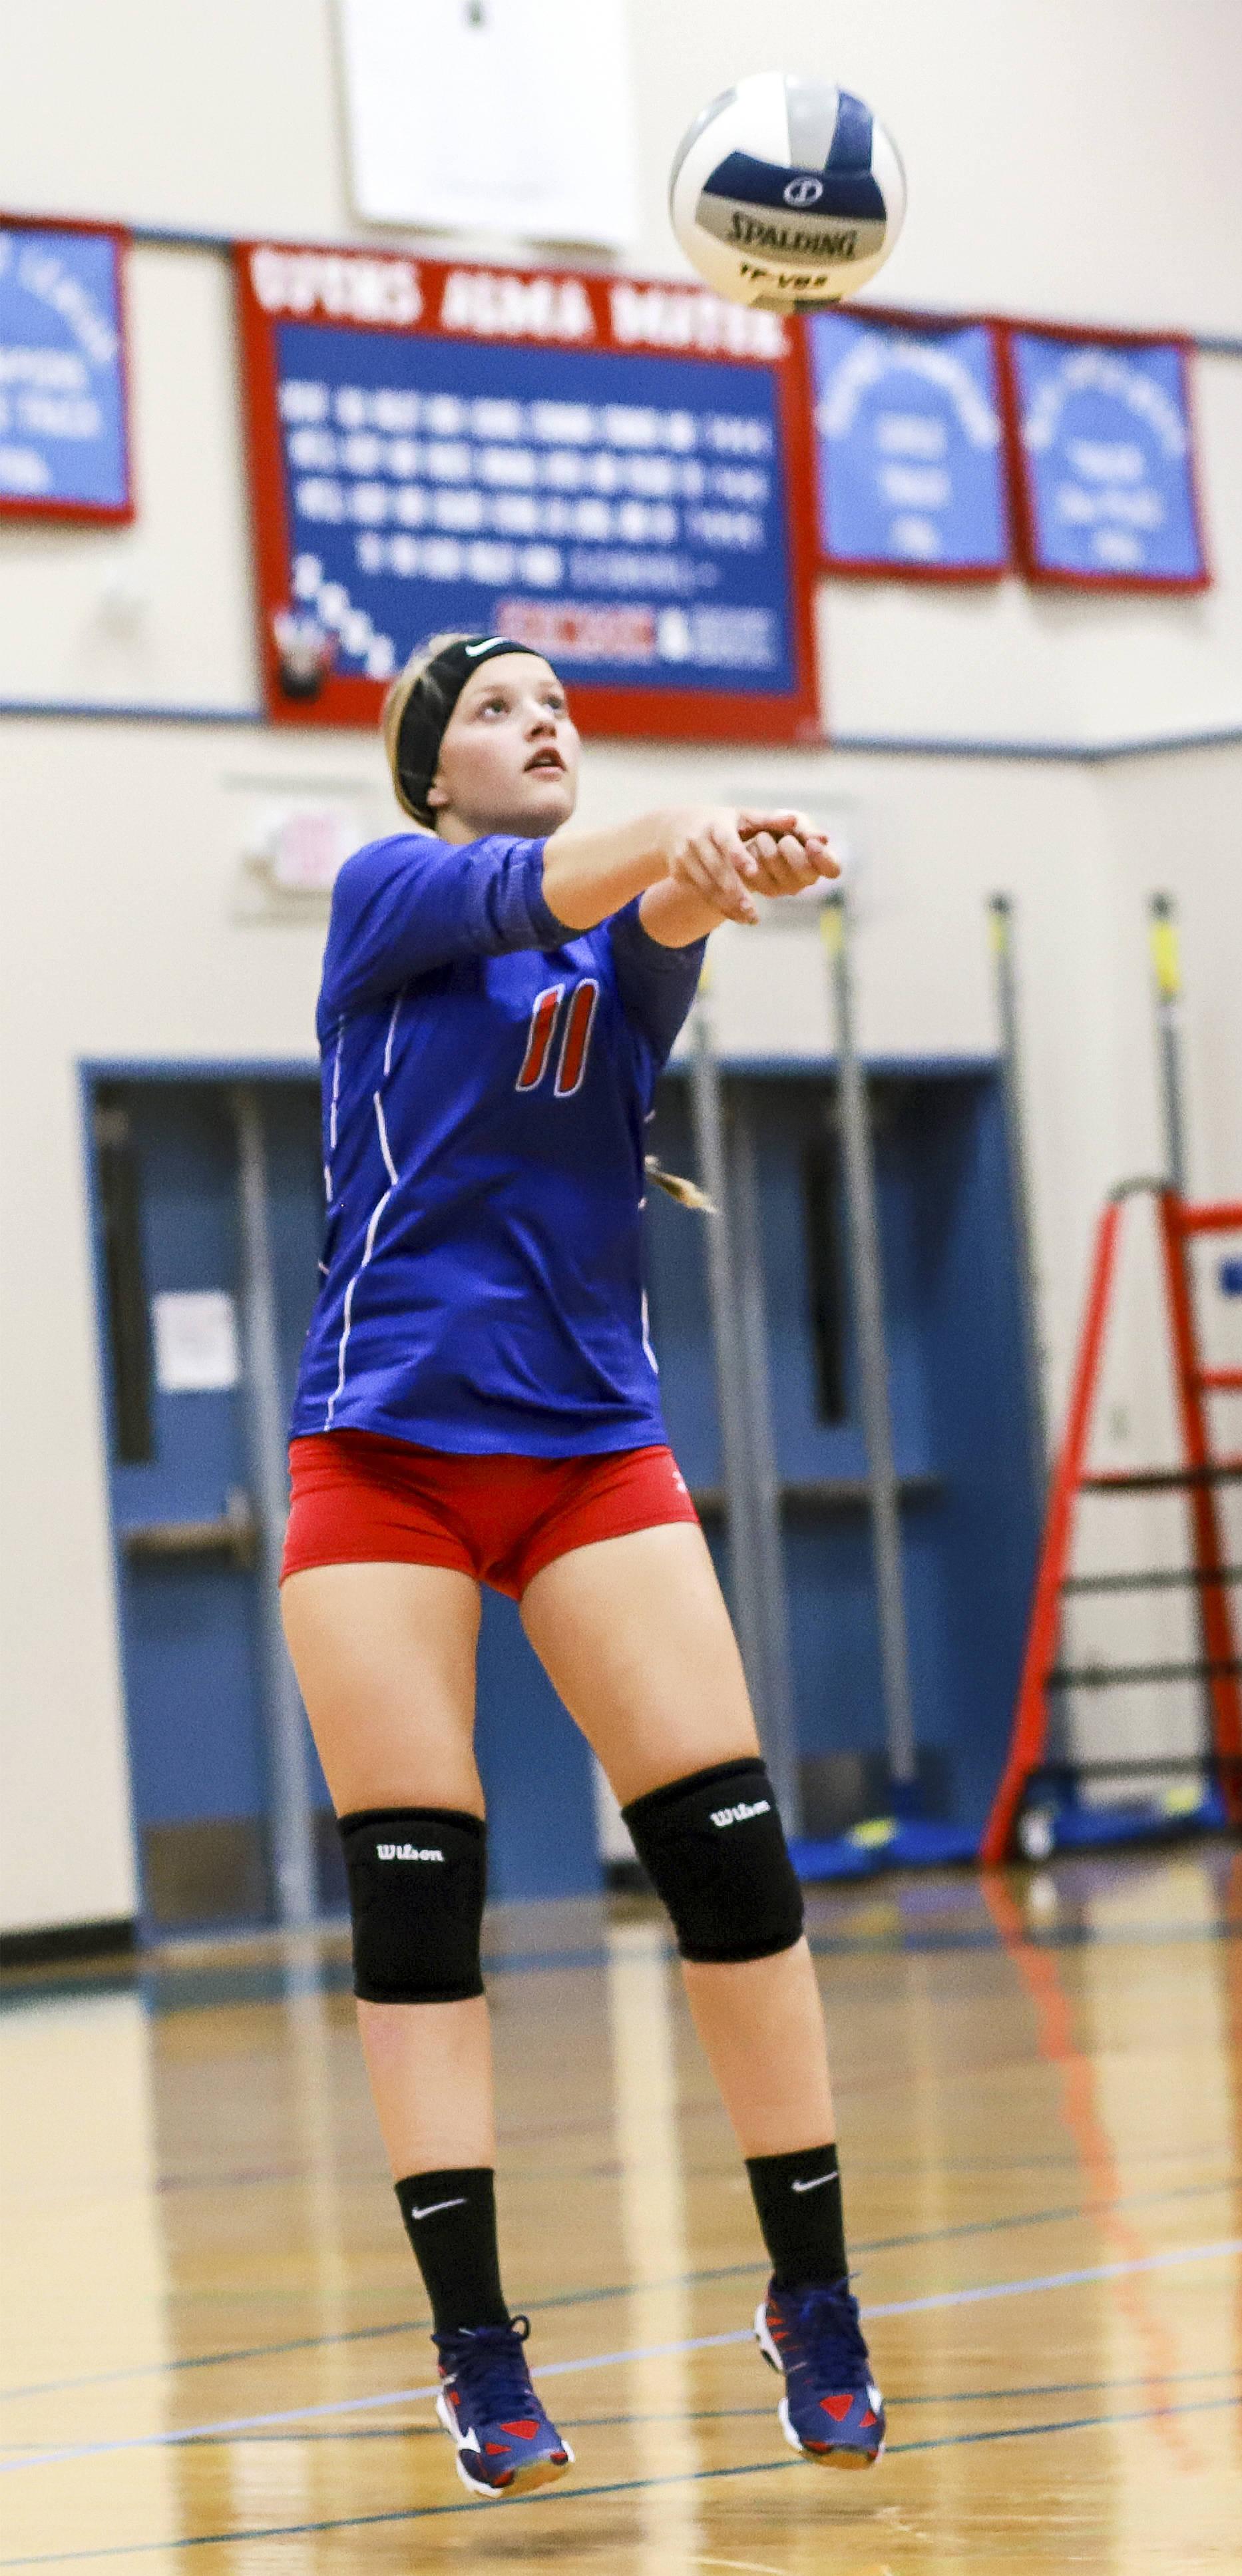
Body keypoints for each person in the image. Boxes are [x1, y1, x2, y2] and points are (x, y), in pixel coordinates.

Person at [279, 631, 885, 2500]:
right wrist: (682, 829)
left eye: (558, 702)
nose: (537, 721)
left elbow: (652, 910)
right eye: (494, 708)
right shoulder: (392, 893)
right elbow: (592, 864)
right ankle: (475, 2351)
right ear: (432, 772)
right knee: (417, 1900)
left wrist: (736, 864)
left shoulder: (601, 931)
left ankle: (813, 2300)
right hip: (379, 1451)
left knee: (731, 1864)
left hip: (583, 1449)